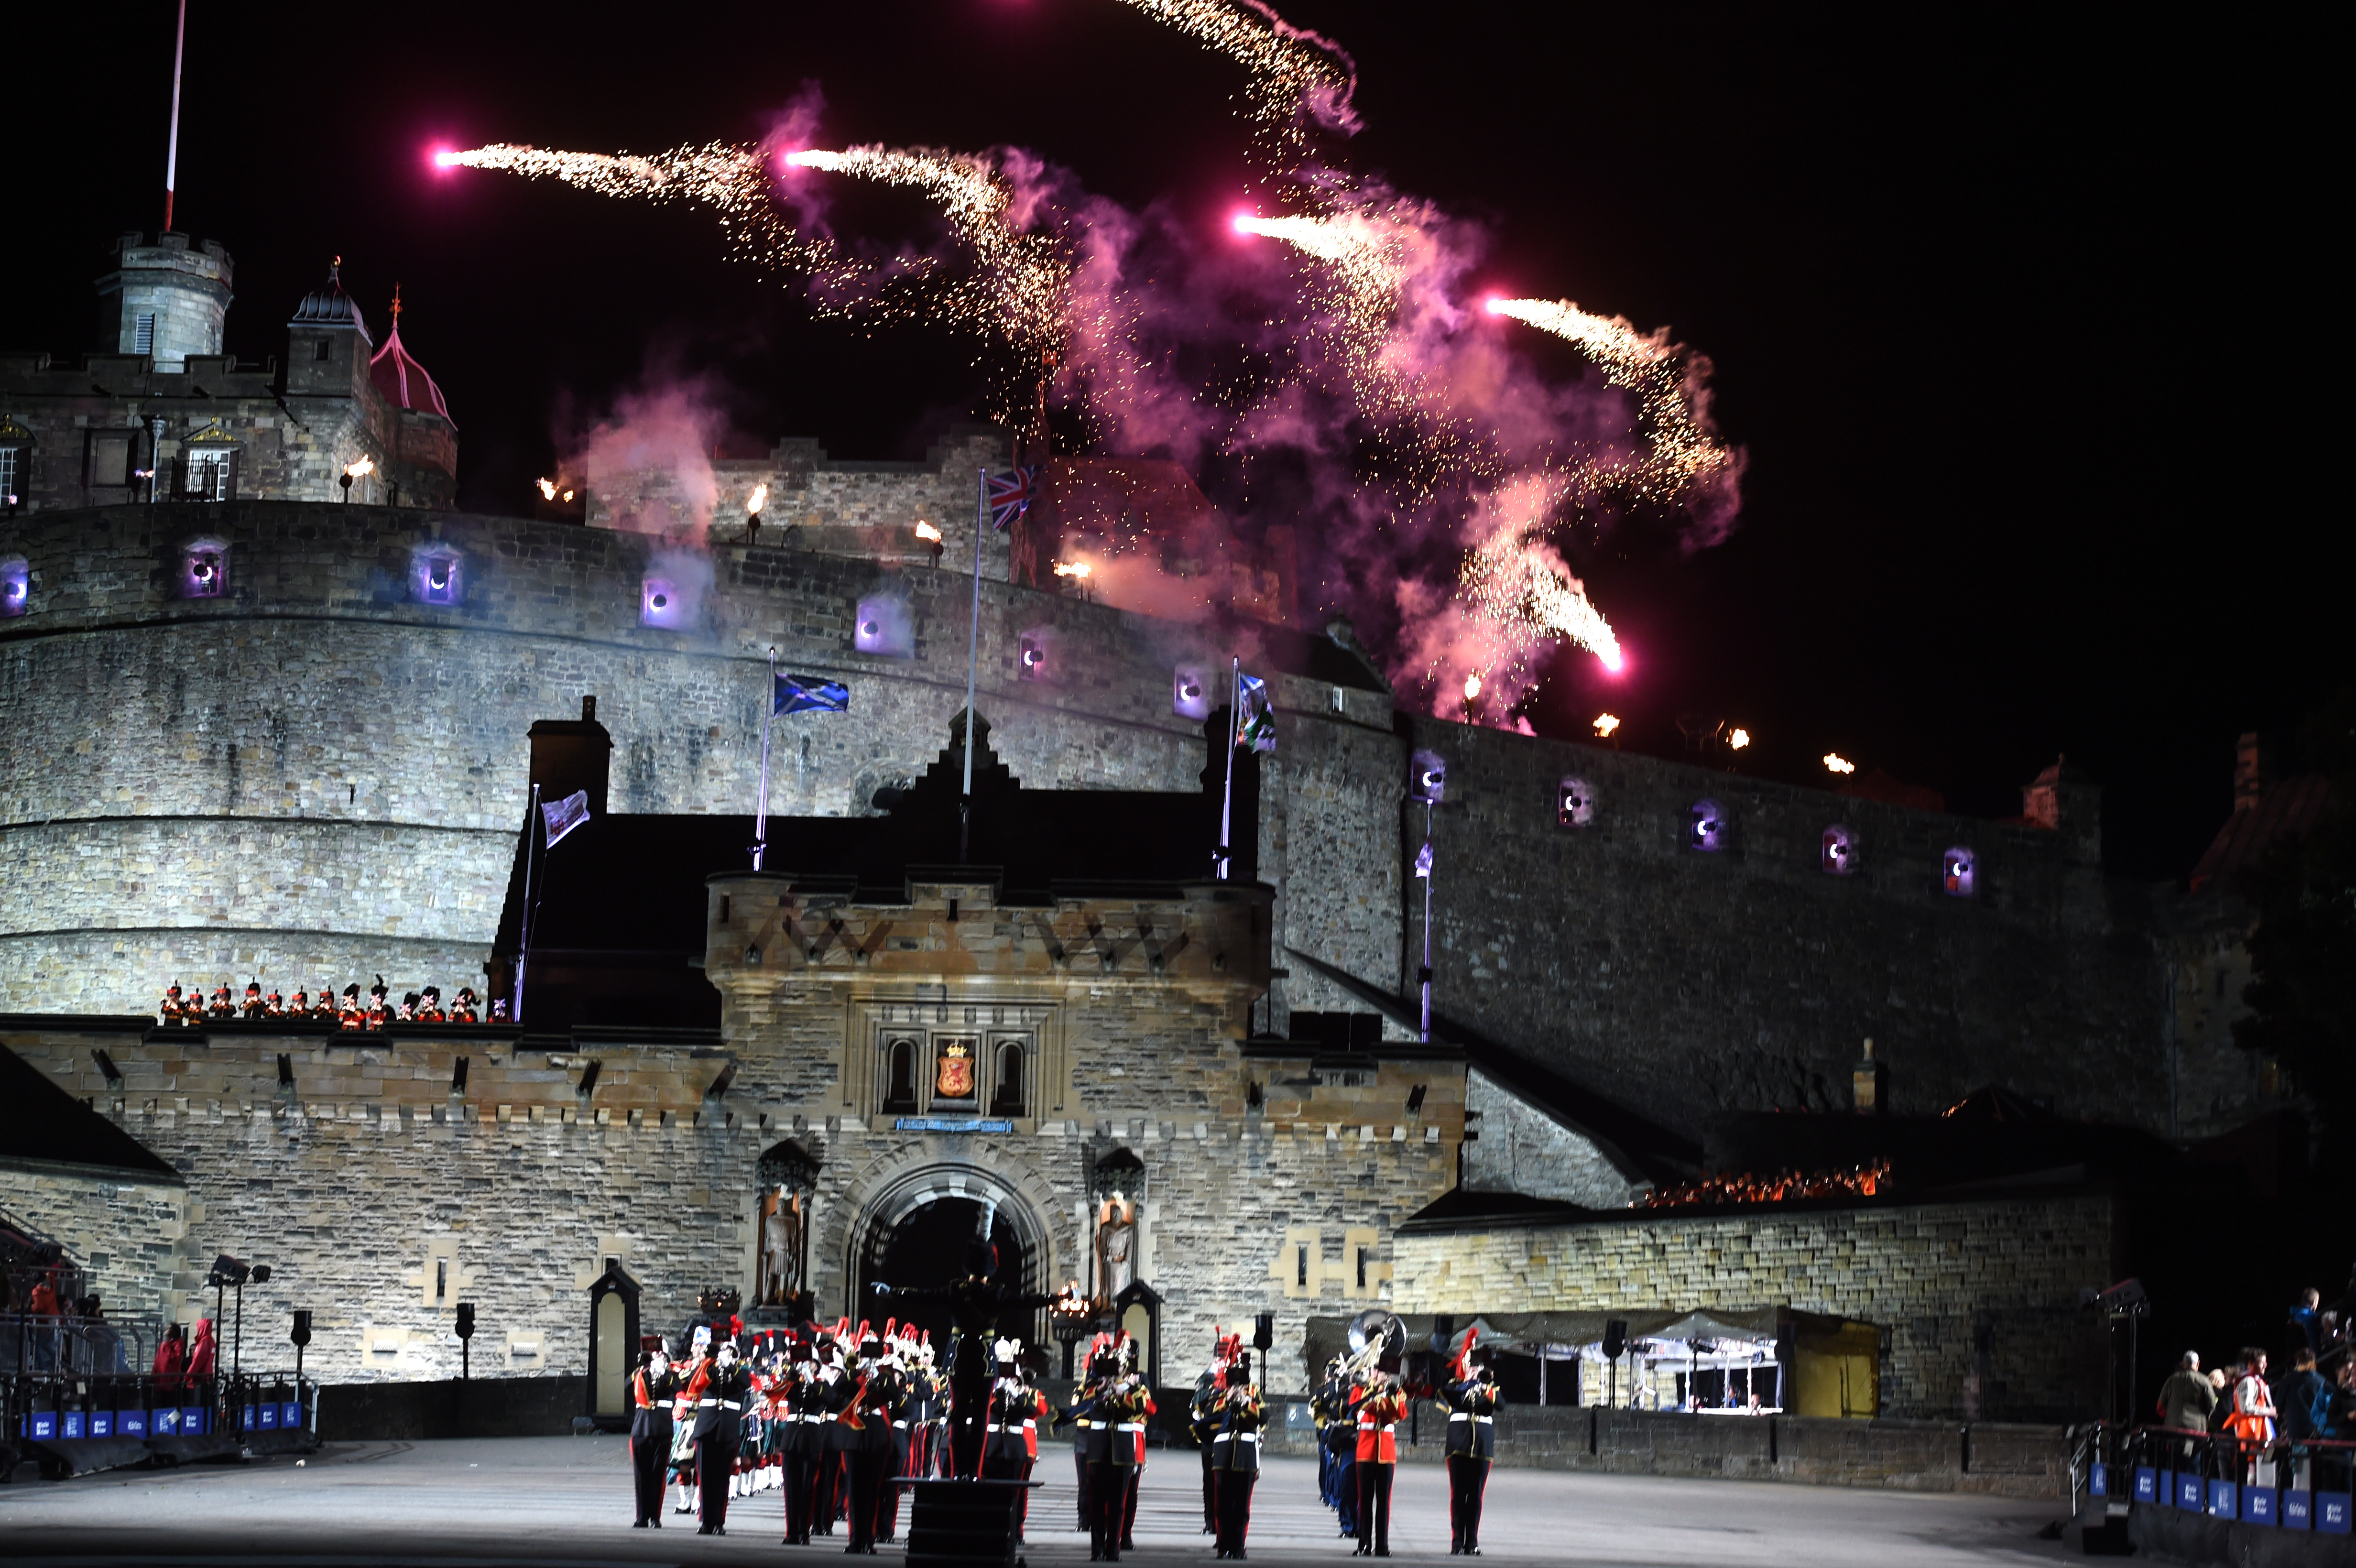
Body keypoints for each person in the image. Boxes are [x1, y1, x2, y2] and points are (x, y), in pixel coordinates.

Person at [1440, 1342, 1501, 1556]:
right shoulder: (1455, 1386)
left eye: (1478, 1367)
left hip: (1482, 1446)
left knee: (1476, 1496)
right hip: (1459, 1444)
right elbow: (1448, 1400)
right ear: (1464, 1368)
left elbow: (1500, 1405)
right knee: (1459, 1495)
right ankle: (1457, 1542)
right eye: (1471, 1367)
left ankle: (1472, 1542)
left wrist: (1485, 1387)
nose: (1475, 1371)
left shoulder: (1490, 1388)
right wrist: (1467, 1384)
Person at [686, 1338, 752, 1535]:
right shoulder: (708, 1368)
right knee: (705, 1476)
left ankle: (719, 1522)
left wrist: (730, 1366)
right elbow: (692, 1383)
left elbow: (745, 1383)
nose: (724, 1355)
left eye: (730, 1352)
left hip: (727, 1428)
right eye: (723, 1351)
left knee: (723, 1477)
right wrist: (708, 1361)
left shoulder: (740, 1371)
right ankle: (706, 1520)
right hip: (707, 1427)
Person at [1211, 1353, 1264, 1560]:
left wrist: (1246, 1402)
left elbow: (1263, 1417)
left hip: (1246, 1454)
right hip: (1224, 1453)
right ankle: (1224, 1546)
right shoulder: (1220, 1394)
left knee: (1242, 1505)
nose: (1238, 1385)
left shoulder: (1254, 1394)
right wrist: (1228, 1400)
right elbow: (1210, 1414)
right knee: (1223, 1504)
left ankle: (1239, 1546)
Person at [1353, 1369, 1407, 1557]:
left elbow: (1400, 1415)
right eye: (1376, 1370)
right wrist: (1375, 1389)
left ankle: (1382, 1545)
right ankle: (1364, 1545)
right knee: (1365, 1501)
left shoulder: (1397, 1392)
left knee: (1384, 1503)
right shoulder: (1360, 1389)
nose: (1379, 1374)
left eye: (1383, 1372)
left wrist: (1390, 1393)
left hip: (1386, 1451)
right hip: (1366, 1449)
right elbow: (1356, 1408)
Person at [628, 1348, 678, 1528]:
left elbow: (677, 1388)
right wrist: (645, 1369)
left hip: (662, 1429)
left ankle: (655, 1516)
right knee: (641, 1476)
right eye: (654, 1356)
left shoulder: (672, 1375)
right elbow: (628, 1383)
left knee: (658, 1475)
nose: (656, 1358)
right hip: (641, 1429)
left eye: (660, 1356)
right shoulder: (642, 1374)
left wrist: (663, 1372)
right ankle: (641, 1516)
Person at [2224, 1348, 2277, 1446]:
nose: (2266, 1365)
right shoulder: (2248, 1381)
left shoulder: (2257, 1381)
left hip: (2258, 1434)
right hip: (2251, 1434)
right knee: (2254, 1460)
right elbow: (2246, 1408)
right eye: (2262, 1362)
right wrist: (2269, 1411)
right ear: (2251, 1364)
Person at [2157, 1351, 2216, 1434]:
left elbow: (2160, 1406)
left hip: (2173, 1427)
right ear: (2198, 1364)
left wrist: (2171, 1416)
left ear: (2184, 1363)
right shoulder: (2205, 1381)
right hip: (2196, 1428)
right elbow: (2212, 1405)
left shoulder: (2172, 1379)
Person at [2280, 1349, 2332, 1441]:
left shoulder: (2288, 1380)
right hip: (2317, 1432)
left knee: (2298, 1456)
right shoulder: (2323, 1381)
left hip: (2296, 1432)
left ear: (2298, 1361)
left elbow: (2278, 1405)